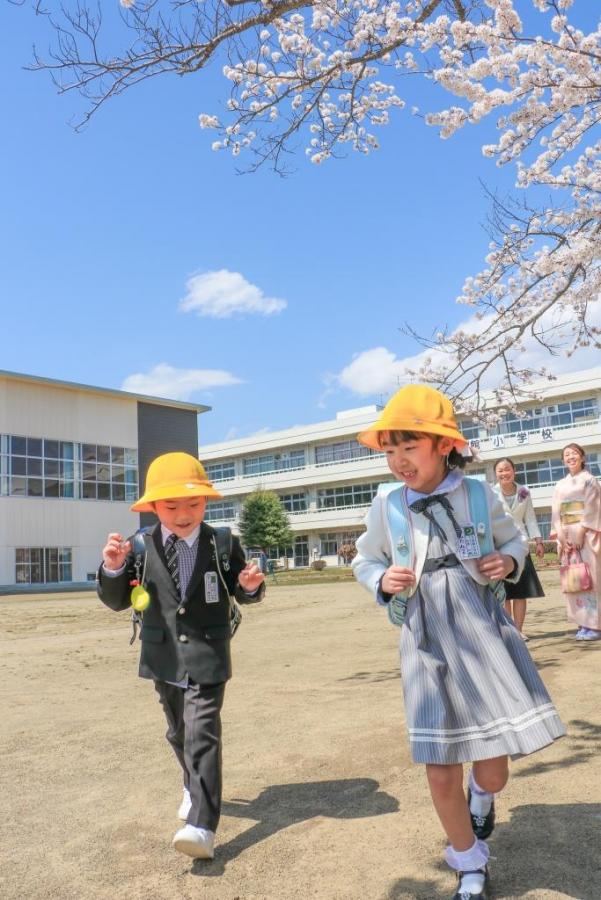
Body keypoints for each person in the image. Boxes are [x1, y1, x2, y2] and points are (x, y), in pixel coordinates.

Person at [351, 385, 565, 900]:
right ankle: (469, 860)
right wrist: (380, 580)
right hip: (424, 637)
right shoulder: (387, 503)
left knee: (493, 771)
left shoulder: (476, 494)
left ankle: (482, 797)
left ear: (443, 445)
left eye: (409, 448)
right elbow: (365, 559)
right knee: (439, 766)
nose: (398, 461)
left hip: (480, 631)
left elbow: (511, 539)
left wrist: (508, 560)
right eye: (390, 450)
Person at [98, 452, 265, 859]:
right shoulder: (139, 546)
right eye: (172, 506)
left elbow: (242, 589)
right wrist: (114, 568)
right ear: (153, 507)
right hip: (162, 655)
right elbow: (119, 601)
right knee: (178, 732)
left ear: (206, 502)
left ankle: (202, 826)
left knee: (202, 733)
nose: (185, 513)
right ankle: (192, 784)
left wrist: (251, 585)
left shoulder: (222, 542)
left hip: (209, 654)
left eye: (194, 503)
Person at [550, 442, 601, 641]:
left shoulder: (590, 480)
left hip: (585, 533)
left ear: (582, 457)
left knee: (591, 576)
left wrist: (581, 532)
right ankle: (582, 622)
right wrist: (561, 535)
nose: (570, 457)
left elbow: (593, 507)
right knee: (574, 577)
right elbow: (556, 510)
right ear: (563, 460)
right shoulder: (560, 484)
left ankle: (595, 624)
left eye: (574, 454)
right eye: (567, 455)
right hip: (566, 535)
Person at [492, 458, 545, 641]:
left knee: (521, 592)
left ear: (514, 471)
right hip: (499, 545)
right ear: (495, 473)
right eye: (500, 470)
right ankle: (509, 631)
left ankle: (519, 629)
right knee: (505, 593)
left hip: (521, 544)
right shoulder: (490, 493)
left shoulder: (524, 491)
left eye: (507, 469)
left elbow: (530, 518)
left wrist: (538, 541)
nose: (504, 473)